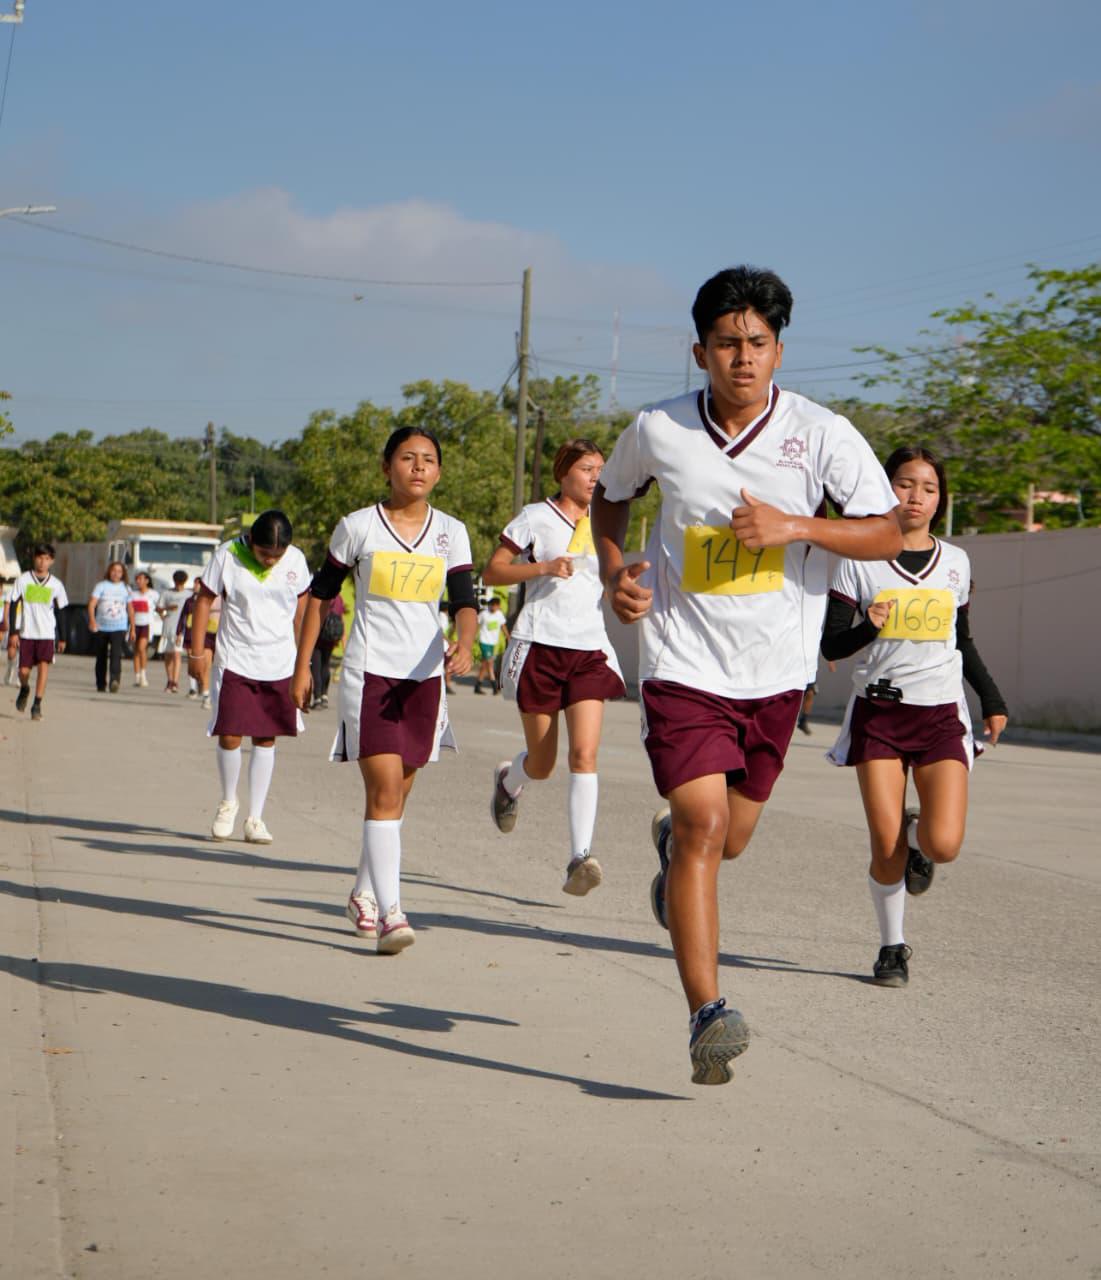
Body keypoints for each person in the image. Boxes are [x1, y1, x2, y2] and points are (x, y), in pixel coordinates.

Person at [592, 265, 902, 1085]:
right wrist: (614, 570)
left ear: (778, 351)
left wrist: (793, 526)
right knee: (701, 827)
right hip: (681, 663)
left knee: (729, 838)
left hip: (776, 675)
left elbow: (887, 534)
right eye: (726, 343)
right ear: (698, 351)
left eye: (756, 343)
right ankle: (706, 1012)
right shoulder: (657, 429)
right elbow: (611, 498)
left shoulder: (821, 432)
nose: (741, 357)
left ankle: (675, 850)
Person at [822, 446, 1008, 987]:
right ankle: (892, 947)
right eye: (905, 484)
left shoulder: (955, 561)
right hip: (880, 713)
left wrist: (991, 700)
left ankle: (916, 833)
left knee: (943, 845)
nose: (917, 497)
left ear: (940, 499)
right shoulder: (856, 558)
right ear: (886, 488)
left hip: (941, 714)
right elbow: (833, 641)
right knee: (886, 851)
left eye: (928, 488)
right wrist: (869, 625)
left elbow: (963, 640)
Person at [292, 426, 477, 955]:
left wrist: (464, 644)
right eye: (407, 458)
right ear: (386, 467)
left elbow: (464, 599)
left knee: (397, 798)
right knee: (384, 792)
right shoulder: (357, 528)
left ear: (438, 472)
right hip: (371, 674)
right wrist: (302, 666)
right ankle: (393, 913)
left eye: (428, 460)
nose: (418, 467)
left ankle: (362, 891)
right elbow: (319, 597)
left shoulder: (452, 532)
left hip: (425, 680)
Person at [483, 438, 626, 895]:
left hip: (588, 650)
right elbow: (493, 571)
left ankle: (580, 857)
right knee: (542, 764)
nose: (595, 477)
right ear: (564, 472)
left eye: (601, 469)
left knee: (584, 755)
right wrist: (544, 567)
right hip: (539, 645)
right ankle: (509, 782)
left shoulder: (606, 521)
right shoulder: (535, 517)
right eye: (587, 469)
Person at [189, 511, 308, 845]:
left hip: (279, 662)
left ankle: (255, 817)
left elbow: (302, 613)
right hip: (236, 658)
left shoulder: (296, 559)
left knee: (266, 738)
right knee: (229, 733)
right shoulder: (228, 554)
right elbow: (204, 601)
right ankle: (228, 801)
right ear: (251, 542)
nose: (270, 560)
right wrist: (197, 652)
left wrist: (305, 665)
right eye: (264, 554)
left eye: (277, 555)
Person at [7, 544, 68, 721]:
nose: (43, 562)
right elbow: (14, 604)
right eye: (40, 558)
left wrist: (62, 637)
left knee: (43, 667)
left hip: (47, 634)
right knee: (23, 672)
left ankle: (37, 704)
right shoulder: (24, 580)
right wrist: (14, 632)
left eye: (47, 559)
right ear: (34, 558)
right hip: (27, 633)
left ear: (52, 561)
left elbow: (61, 611)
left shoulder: (56, 585)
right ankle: (25, 688)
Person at [88, 561, 131, 693]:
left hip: (119, 626)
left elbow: (130, 608)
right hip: (102, 626)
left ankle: (114, 680)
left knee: (116, 654)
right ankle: (101, 683)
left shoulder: (126, 588)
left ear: (123, 574)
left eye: (119, 571)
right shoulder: (101, 586)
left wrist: (133, 627)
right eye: (114, 570)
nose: (116, 573)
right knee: (101, 655)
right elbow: (91, 604)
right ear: (109, 571)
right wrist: (92, 620)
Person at [178, 577, 218, 706]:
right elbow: (183, 617)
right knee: (205, 665)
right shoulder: (195, 599)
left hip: (221, 635)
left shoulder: (225, 595)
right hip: (205, 634)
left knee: (218, 668)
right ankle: (206, 695)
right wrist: (179, 632)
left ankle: (211, 690)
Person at [309, 590, 345, 709]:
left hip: (317, 637)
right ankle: (325, 695)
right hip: (330, 638)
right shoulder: (339, 599)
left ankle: (317, 698)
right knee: (325, 665)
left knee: (316, 667)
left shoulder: (319, 594)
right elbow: (341, 618)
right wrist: (342, 640)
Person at [158, 569, 191, 693]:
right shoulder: (166, 593)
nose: (178, 585)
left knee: (177, 654)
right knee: (168, 655)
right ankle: (169, 679)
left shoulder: (188, 594)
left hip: (181, 628)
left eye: (181, 583)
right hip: (168, 626)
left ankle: (175, 681)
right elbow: (158, 608)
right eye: (177, 583)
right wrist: (166, 609)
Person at [128, 570, 160, 687]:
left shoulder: (153, 594)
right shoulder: (132, 594)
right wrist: (131, 627)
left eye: (141, 579)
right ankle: (137, 677)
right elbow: (130, 610)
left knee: (142, 648)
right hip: (135, 624)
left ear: (147, 580)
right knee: (136, 650)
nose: (139, 581)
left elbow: (159, 607)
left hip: (146, 624)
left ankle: (143, 675)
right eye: (137, 579)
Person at [472, 596, 508, 693]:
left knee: (485, 664)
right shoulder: (484, 614)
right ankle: (494, 686)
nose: (493, 607)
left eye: (496, 606)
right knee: (490, 663)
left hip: (493, 642)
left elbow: (503, 626)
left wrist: (508, 637)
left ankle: (477, 685)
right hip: (484, 641)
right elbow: (477, 625)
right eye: (492, 605)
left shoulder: (499, 615)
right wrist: (473, 637)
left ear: (498, 606)